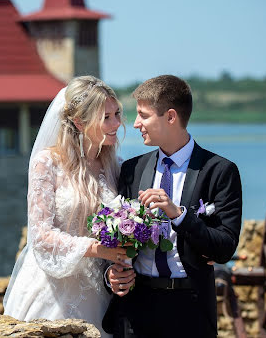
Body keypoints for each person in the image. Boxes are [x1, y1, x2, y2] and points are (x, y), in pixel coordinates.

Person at [103, 75, 243, 338]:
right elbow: (118, 243)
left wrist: (178, 214)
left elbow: (224, 248)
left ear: (170, 117)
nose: (135, 124)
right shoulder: (132, 170)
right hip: (135, 309)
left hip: (190, 310)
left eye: (143, 116)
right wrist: (112, 272)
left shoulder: (220, 171)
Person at [4, 76, 129, 337]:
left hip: (100, 290)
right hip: (52, 289)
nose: (117, 123)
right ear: (79, 122)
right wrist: (97, 249)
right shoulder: (47, 162)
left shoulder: (115, 164)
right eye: (106, 117)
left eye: (117, 113)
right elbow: (41, 236)